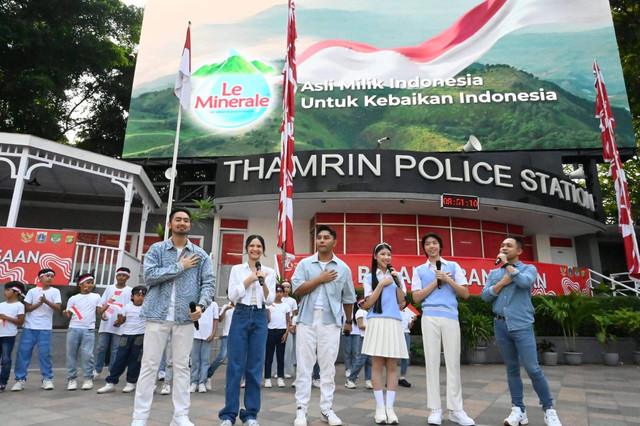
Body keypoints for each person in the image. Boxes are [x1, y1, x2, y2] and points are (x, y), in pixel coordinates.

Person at [132, 207, 215, 426]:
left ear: (190, 225)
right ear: (170, 224)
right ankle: (139, 417)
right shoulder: (157, 250)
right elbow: (149, 276)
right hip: (157, 314)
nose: (182, 223)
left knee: (181, 366)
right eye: (178, 220)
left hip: (185, 317)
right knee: (149, 365)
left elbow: (208, 283)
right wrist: (180, 266)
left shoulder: (200, 254)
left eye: (186, 220)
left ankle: (180, 416)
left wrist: (201, 305)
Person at [481, 236, 563, 426]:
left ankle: (549, 409)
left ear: (519, 251)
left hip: (522, 325)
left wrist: (510, 269)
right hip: (501, 325)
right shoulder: (494, 273)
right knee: (511, 369)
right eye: (502, 246)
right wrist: (501, 283)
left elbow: (525, 283)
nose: (504, 248)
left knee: (533, 368)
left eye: (509, 246)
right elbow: (485, 295)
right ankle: (518, 410)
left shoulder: (528, 269)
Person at [292, 225, 357, 426]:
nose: (321, 240)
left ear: (334, 242)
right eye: (319, 237)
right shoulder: (305, 264)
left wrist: (348, 322)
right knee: (304, 367)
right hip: (307, 320)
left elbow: (348, 298)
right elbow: (297, 289)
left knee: (328, 368)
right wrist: (320, 278)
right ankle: (301, 410)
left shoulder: (343, 268)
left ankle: (326, 409)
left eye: (326, 237)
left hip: (331, 322)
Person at [412, 233, 475, 426]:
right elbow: (416, 298)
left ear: (440, 246)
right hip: (429, 316)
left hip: (450, 317)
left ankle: (456, 410)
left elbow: (465, 293)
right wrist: (435, 281)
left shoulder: (453, 267)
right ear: (424, 248)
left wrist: (448, 280)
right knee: (431, 362)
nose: (431, 246)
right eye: (427, 244)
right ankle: (435, 409)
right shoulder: (419, 270)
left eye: (434, 243)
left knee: (453, 362)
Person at [219, 234, 275, 426]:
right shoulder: (237, 269)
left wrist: (263, 281)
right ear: (246, 248)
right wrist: (249, 279)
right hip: (241, 313)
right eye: (252, 245)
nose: (255, 249)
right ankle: (228, 415)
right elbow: (233, 296)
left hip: (260, 316)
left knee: (254, 366)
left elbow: (269, 299)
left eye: (259, 246)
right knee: (235, 366)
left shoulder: (269, 271)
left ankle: (250, 414)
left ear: (263, 250)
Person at [360, 242, 408, 425]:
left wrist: (398, 283)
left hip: (394, 321)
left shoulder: (397, 275)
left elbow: (401, 301)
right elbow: (369, 302)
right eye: (382, 254)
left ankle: (390, 408)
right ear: (375, 256)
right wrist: (381, 284)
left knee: (393, 365)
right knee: (377, 364)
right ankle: (380, 407)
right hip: (377, 321)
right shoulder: (368, 277)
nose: (386, 257)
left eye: (389, 254)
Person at [12, 268, 61, 391]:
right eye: (47, 276)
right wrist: (39, 304)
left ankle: (47, 379)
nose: (50, 278)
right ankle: (20, 380)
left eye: (52, 276)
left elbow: (57, 307)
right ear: (40, 278)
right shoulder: (33, 291)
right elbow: (27, 308)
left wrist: (45, 301)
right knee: (23, 353)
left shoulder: (55, 291)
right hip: (29, 327)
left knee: (45, 354)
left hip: (45, 328)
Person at [97, 285, 147, 394]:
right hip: (126, 336)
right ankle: (111, 383)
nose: (140, 298)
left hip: (140, 336)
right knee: (119, 359)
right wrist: (119, 320)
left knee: (135, 360)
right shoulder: (127, 307)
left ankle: (131, 382)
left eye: (143, 295)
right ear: (132, 296)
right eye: (138, 295)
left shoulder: (147, 308)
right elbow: (120, 322)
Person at [63, 273, 103, 391]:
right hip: (73, 328)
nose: (90, 285)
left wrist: (109, 305)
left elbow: (99, 311)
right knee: (71, 354)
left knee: (87, 355)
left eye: (92, 282)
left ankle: (88, 378)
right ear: (80, 284)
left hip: (88, 329)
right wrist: (66, 314)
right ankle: (72, 379)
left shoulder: (96, 296)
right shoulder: (73, 298)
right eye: (88, 282)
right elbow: (68, 314)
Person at [94, 267, 132, 378]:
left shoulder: (129, 290)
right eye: (119, 275)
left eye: (124, 275)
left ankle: (112, 371)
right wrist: (102, 313)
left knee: (115, 349)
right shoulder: (109, 288)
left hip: (119, 323)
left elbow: (129, 306)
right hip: (106, 322)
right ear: (116, 276)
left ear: (128, 277)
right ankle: (98, 370)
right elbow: (102, 303)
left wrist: (121, 320)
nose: (121, 277)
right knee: (101, 347)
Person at [264, 284, 292, 388]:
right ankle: (267, 378)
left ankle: (280, 378)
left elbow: (288, 321)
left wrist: (286, 332)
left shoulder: (286, 306)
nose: (279, 294)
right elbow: (267, 320)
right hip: (270, 331)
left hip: (282, 332)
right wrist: (268, 314)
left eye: (280, 292)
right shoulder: (269, 305)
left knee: (280, 356)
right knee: (269, 356)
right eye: (277, 292)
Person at [0, 281, 26, 392]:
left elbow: (20, 321)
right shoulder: (1, 304)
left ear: (16, 292)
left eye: (8, 290)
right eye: (5, 289)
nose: (5, 292)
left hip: (8, 335)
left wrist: (6, 317)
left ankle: (2, 382)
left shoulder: (19, 306)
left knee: (5, 359)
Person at [190, 300, 218, 393]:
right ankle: (194, 382)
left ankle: (202, 382)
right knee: (195, 360)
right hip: (195, 334)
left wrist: (213, 333)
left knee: (205, 360)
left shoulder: (213, 304)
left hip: (207, 335)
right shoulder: (195, 303)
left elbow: (215, 319)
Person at [206, 301, 234, 390]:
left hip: (237, 336)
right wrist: (225, 309)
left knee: (232, 360)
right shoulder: (226, 305)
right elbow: (220, 319)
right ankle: (208, 375)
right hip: (226, 335)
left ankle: (230, 382)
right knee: (222, 356)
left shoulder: (241, 306)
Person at [344, 301, 372, 389]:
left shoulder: (368, 312)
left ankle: (368, 380)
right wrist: (373, 326)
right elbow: (360, 325)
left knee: (369, 361)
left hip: (369, 338)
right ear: (361, 303)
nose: (369, 302)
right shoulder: (360, 312)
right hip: (363, 338)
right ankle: (350, 380)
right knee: (361, 360)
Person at [398, 296, 417, 388]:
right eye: (400, 302)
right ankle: (389, 378)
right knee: (392, 356)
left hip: (405, 334)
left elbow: (409, 327)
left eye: (403, 301)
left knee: (405, 356)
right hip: (396, 334)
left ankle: (402, 377)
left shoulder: (408, 312)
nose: (402, 303)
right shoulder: (394, 312)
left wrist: (413, 321)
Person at [341, 300, 360, 380]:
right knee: (347, 351)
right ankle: (347, 369)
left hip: (356, 332)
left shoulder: (358, 307)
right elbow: (341, 317)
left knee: (355, 352)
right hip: (346, 331)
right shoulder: (343, 306)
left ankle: (354, 370)